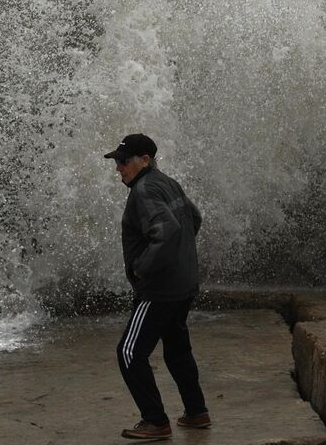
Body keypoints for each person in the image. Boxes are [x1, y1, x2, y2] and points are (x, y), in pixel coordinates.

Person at [104, 133, 210, 441]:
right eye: (117, 161)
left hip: (160, 290)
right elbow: (194, 218)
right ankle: (196, 412)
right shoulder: (167, 182)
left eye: (123, 161)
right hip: (183, 284)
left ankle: (155, 421)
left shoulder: (144, 190)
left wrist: (142, 268)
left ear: (145, 160)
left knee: (129, 352)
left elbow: (167, 231)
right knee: (177, 350)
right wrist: (181, 259)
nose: (118, 168)